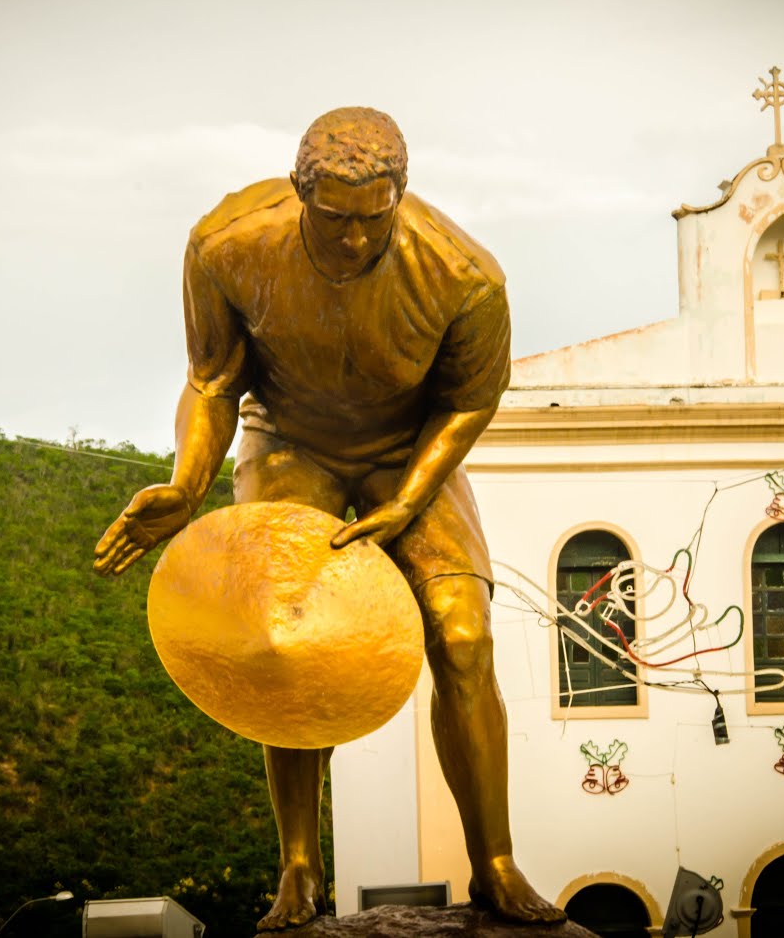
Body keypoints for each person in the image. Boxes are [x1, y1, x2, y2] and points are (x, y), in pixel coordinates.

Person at [94, 107, 565, 930]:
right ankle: (300, 868)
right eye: (336, 220)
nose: (353, 240)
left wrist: (410, 500)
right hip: (289, 439)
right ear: (301, 194)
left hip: (409, 449)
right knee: (284, 633)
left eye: (372, 220)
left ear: (401, 197)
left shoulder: (464, 276)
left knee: (463, 636)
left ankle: (493, 862)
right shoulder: (228, 244)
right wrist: (188, 482)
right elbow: (212, 381)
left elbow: (468, 404)